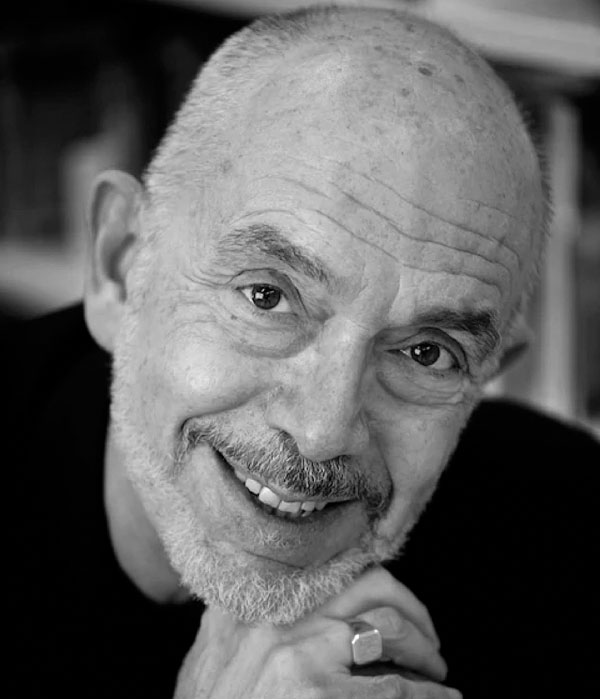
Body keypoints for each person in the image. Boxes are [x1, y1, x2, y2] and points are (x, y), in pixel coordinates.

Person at [6, 5, 599, 698]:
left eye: (427, 354)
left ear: (488, 376)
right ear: (120, 266)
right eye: (267, 297)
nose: (322, 432)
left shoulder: (570, 535)